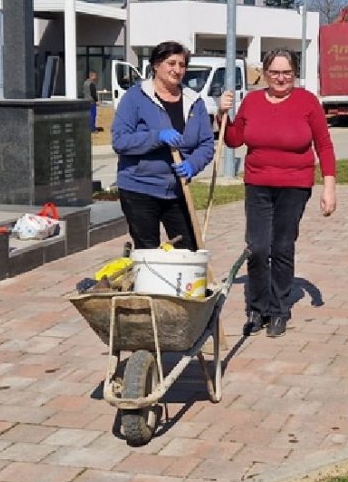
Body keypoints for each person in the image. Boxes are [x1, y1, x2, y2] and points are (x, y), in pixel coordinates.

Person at [218, 49, 336, 338]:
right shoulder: (252, 101)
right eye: (275, 72)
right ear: (265, 73)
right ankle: (258, 309)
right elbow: (234, 139)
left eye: (287, 73)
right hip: (257, 183)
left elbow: (324, 145)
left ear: (294, 73)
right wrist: (222, 114)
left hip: (295, 185)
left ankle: (279, 310)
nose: (281, 78)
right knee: (257, 248)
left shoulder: (307, 101)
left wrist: (329, 186)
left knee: (282, 246)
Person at [112, 40, 214, 251]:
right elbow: (120, 141)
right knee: (148, 251)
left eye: (182, 65)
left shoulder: (194, 101)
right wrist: (157, 137)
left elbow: (206, 144)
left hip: (177, 190)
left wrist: (192, 165)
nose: (177, 70)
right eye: (171, 63)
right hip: (139, 187)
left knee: (188, 249)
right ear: (156, 65)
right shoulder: (135, 97)